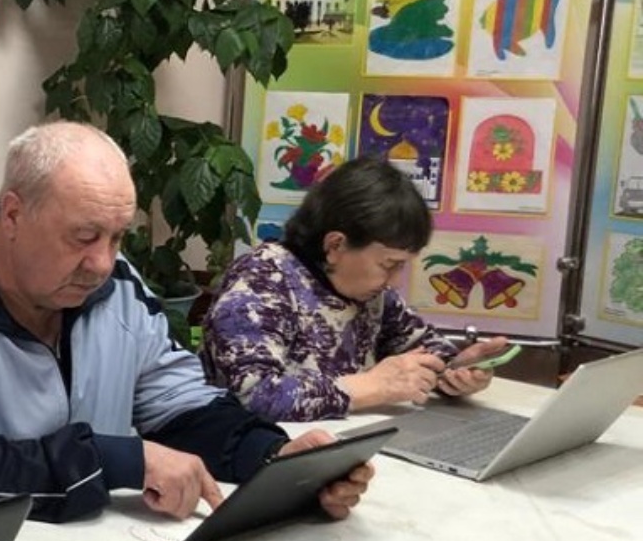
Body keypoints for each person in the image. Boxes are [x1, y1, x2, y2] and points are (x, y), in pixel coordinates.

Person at [0, 122, 372, 525]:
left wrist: (274, 459)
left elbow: (180, 405)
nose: (103, 263)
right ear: (13, 214)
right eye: (84, 236)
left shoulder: (116, 286)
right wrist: (119, 460)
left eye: (117, 237)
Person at [201, 156, 510, 421]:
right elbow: (251, 395)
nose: (395, 281)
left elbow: (421, 345)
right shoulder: (261, 282)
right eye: (389, 264)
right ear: (335, 245)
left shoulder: (371, 293)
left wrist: (453, 369)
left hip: (345, 446)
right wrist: (370, 387)